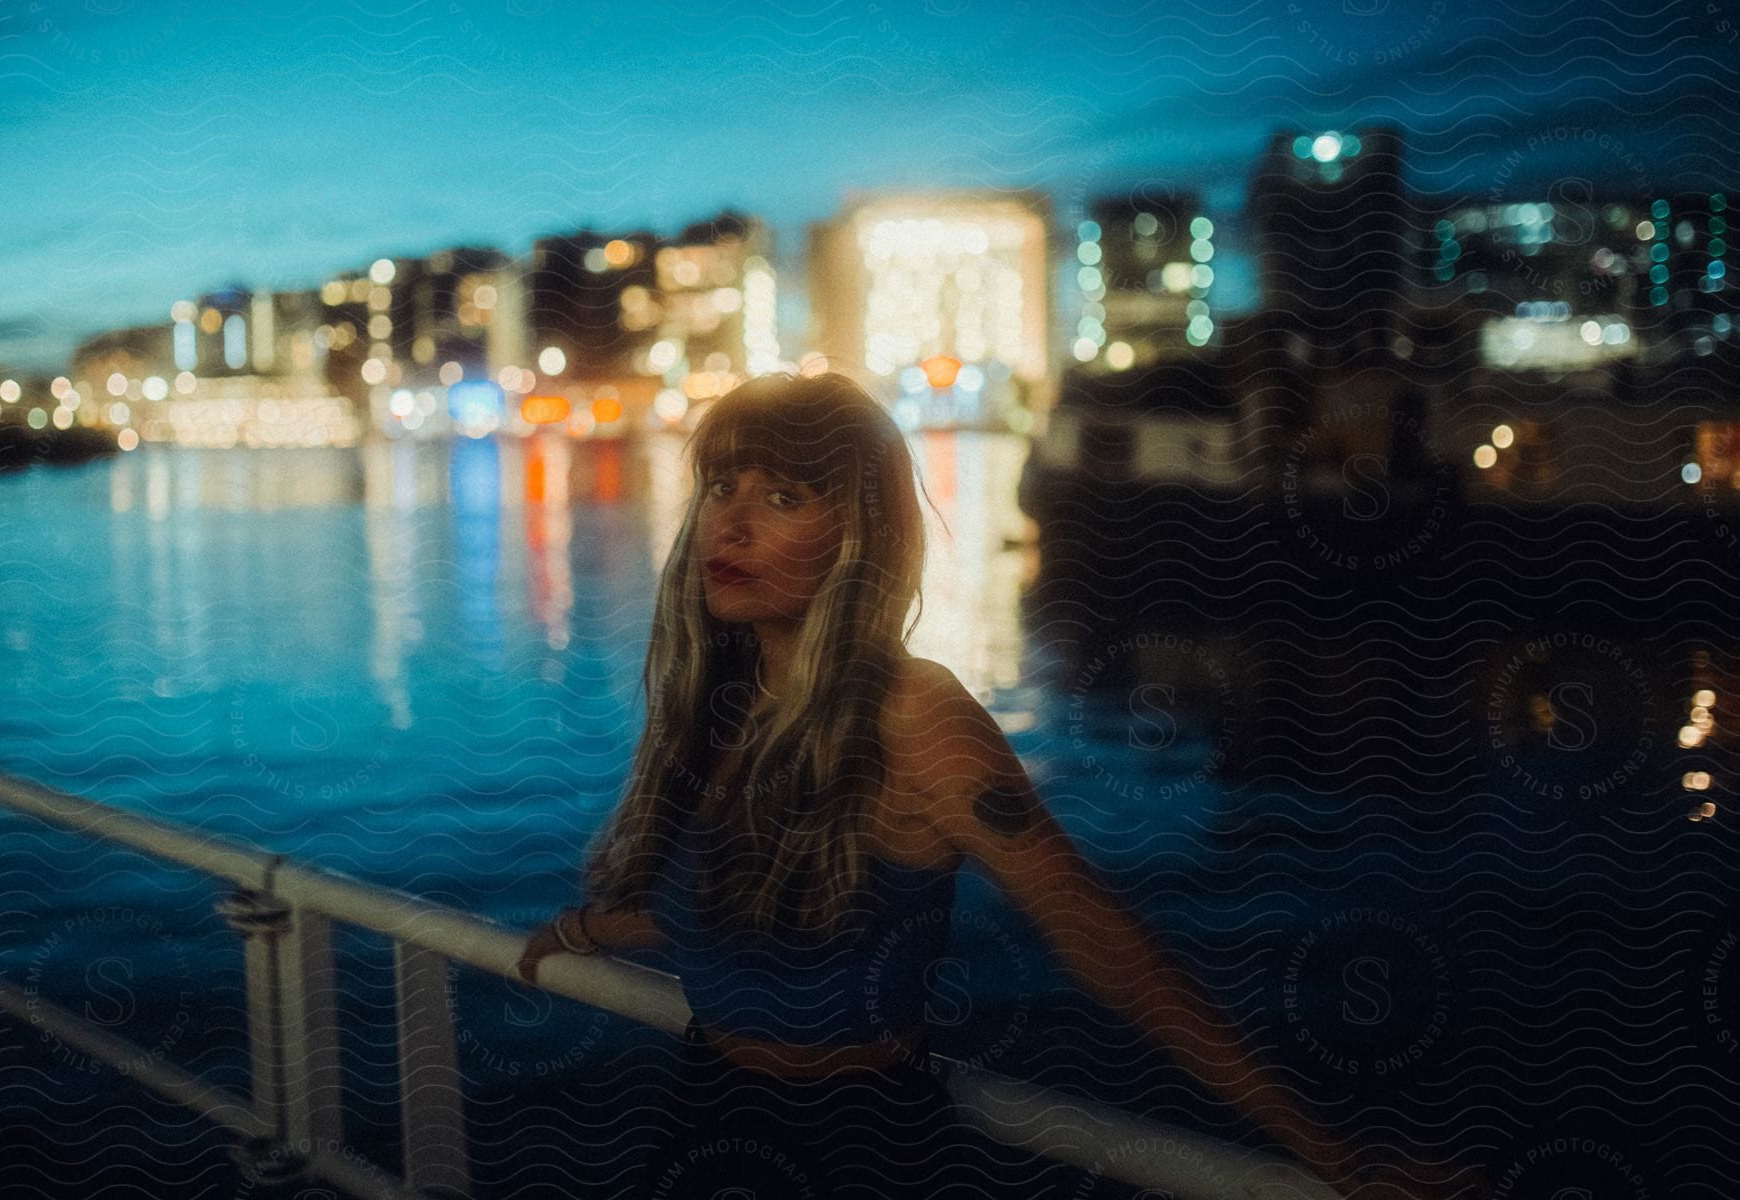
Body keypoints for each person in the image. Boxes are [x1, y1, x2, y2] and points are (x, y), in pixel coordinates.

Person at [519, 371, 1471, 1200]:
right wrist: (588, 929)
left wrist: (1332, 1154)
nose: (728, 522)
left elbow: (1101, 938)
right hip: (703, 1113)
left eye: (783, 496)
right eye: (722, 486)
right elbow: (738, 906)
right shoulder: (726, 704)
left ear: (859, 528)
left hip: (851, 1147)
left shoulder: (913, 716)